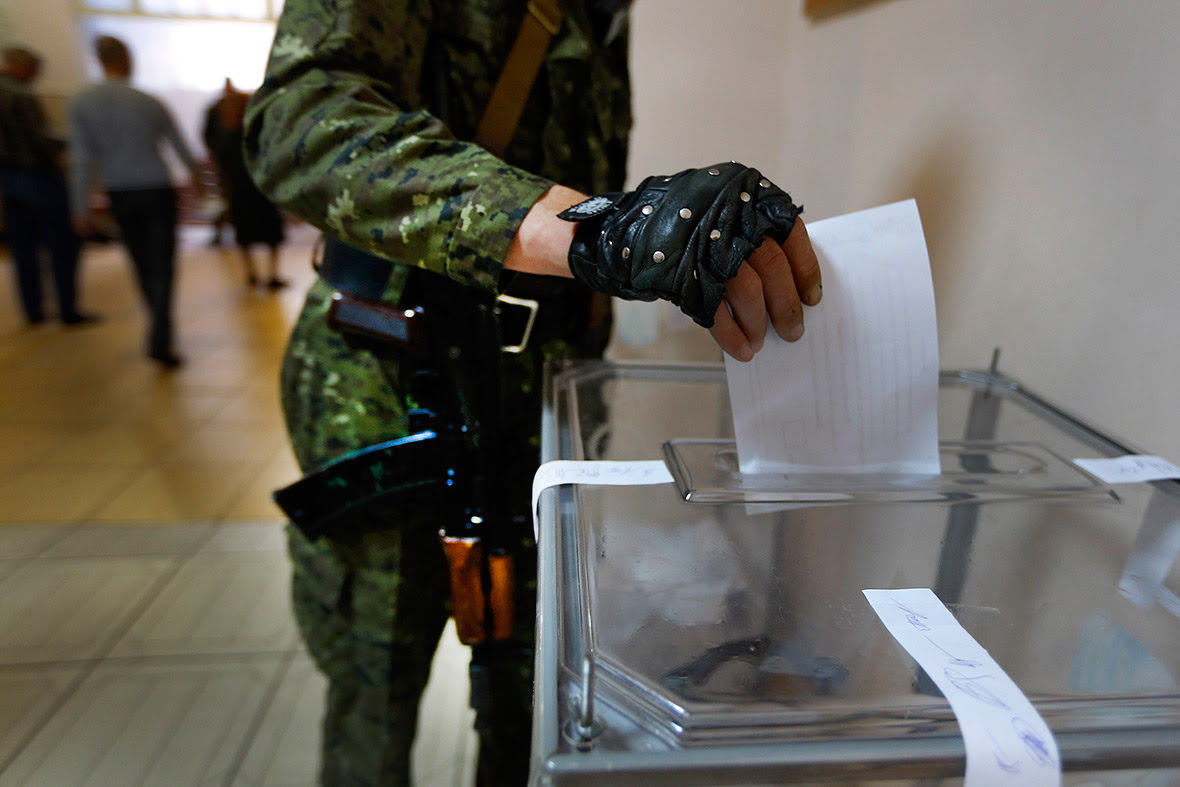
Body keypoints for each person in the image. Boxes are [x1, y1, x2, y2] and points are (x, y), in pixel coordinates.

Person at [244, 1, 821, 785]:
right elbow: (298, 119)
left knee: (532, 693)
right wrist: (599, 229)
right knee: (378, 685)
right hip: (392, 384)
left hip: (542, 394)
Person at [68, 35, 201, 367]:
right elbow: (182, 149)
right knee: (163, 265)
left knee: (142, 263)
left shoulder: (82, 102)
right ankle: (160, 329)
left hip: (120, 193)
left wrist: (79, 205)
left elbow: (82, 158)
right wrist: (200, 182)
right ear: (126, 59)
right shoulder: (147, 102)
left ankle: (157, 325)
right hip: (156, 190)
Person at [0, 46, 95, 327]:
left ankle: (33, 311)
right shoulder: (20, 94)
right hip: (38, 179)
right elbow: (40, 139)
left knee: (23, 250)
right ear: (22, 66)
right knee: (63, 245)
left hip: (8, 181)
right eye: (34, 70)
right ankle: (68, 309)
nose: (36, 77)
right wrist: (72, 143)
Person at [203, 79, 287, 288]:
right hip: (249, 188)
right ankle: (258, 274)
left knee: (260, 232)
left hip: (251, 189)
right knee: (250, 232)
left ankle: (259, 274)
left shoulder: (243, 131)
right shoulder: (232, 132)